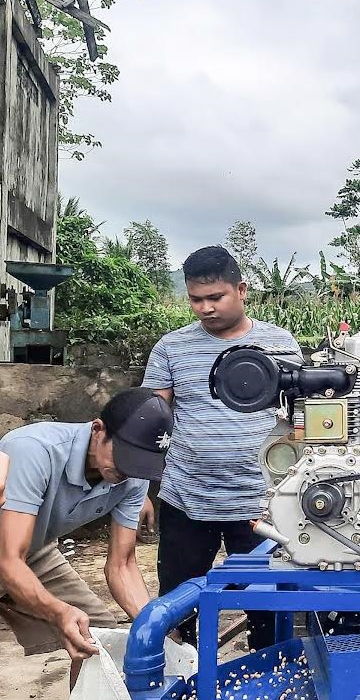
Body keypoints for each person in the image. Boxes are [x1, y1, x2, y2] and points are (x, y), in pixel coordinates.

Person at [142, 246, 299, 648]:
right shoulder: (171, 348)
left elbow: (300, 423)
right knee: (178, 611)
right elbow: (150, 422)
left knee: (268, 612)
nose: (205, 308)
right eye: (196, 299)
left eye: (216, 297)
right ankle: (181, 681)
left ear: (242, 289)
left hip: (260, 505)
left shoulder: (279, 345)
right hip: (186, 500)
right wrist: (140, 491)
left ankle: (268, 684)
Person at [0, 388, 172, 687]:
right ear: (97, 430)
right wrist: (57, 611)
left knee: (97, 636)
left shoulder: (132, 475)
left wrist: (154, 626)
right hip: (11, 552)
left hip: (33, 551)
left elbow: (122, 565)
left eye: (139, 462)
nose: (126, 471)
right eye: (124, 455)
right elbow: (9, 560)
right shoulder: (33, 450)